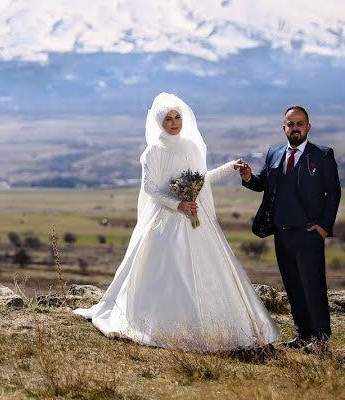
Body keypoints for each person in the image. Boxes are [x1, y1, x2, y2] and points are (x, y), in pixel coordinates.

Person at [73, 92, 280, 351]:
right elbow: (150, 188)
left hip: (195, 219)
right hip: (166, 222)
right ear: (160, 122)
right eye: (168, 118)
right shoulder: (153, 151)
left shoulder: (191, 146)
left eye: (177, 117)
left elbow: (200, 180)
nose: (174, 123)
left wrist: (229, 167)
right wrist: (178, 204)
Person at [237, 106, 341, 350]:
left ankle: (321, 339)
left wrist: (324, 227)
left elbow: (333, 192)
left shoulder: (322, 155)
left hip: (309, 234)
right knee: (293, 286)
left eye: (300, 123)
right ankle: (303, 334)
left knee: (313, 286)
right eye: (290, 124)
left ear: (308, 127)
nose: (295, 128)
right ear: (284, 127)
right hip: (281, 233)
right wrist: (248, 176)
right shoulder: (274, 153)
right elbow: (262, 184)